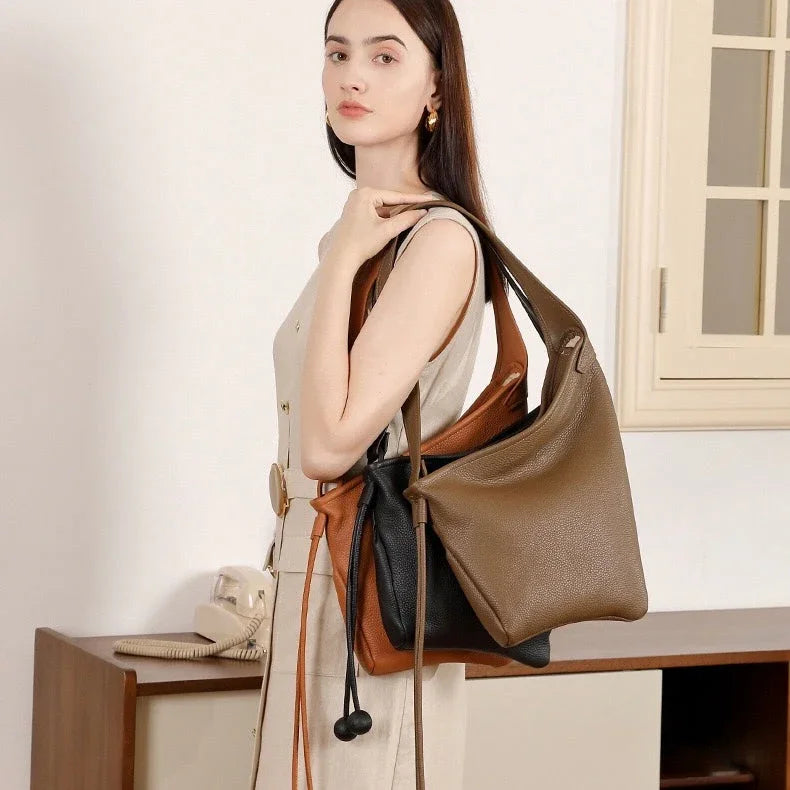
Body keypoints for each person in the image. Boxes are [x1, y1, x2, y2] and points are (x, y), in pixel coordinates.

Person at [249, 0, 500, 786]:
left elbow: (328, 446)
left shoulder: (439, 243)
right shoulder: (360, 234)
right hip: (311, 571)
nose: (352, 74)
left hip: (366, 588)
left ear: (436, 88)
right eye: (338, 52)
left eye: (385, 56)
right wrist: (348, 248)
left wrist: (345, 258)